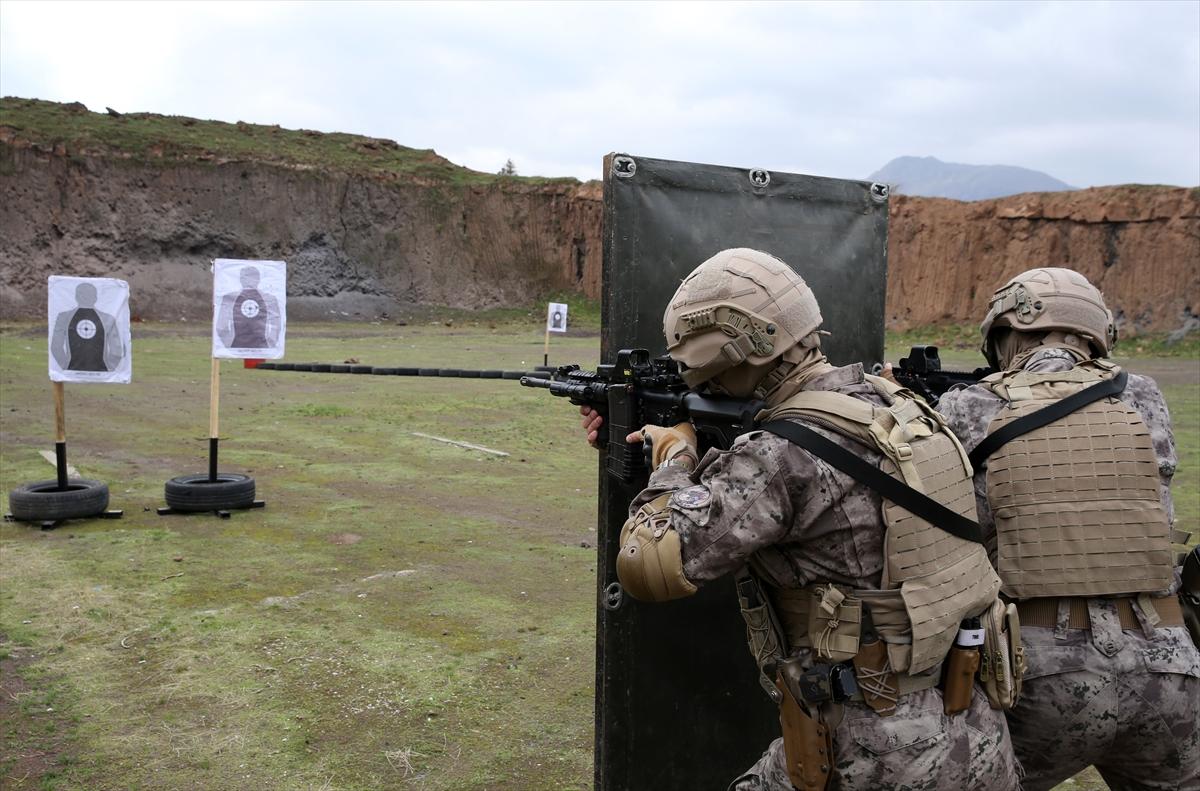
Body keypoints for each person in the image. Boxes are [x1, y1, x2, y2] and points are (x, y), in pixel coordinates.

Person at [584, 248, 1020, 791]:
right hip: (977, 731)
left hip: (876, 752)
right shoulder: (903, 408)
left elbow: (646, 566)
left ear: (733, 351)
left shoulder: (780, 454)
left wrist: (674, 457)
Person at [935, 267, 1200, 791]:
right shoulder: (1143, 397)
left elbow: (955, 537)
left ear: (1005, 334)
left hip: (1039, 671)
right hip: (1168, 666)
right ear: (1096, 333)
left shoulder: (967, 406)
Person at [50, 281, 124, 372]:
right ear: (95, 298)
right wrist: (109, 368)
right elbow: (117, 350)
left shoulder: (63, 317)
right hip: (101, 372)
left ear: (76, 297)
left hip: (71, 371)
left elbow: (56, 347)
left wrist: (65, 367)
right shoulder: (108, 319)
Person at [216, 265, 281, 350]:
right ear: (258, 279)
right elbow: (276, 326)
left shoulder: (229, 298)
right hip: (261, 347)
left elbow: (222, 326)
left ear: (241, 279)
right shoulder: (270, 299)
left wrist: (227, 344)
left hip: (236, 346)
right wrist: (270, 344)